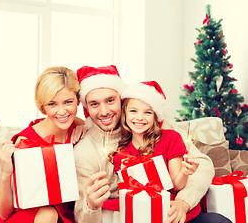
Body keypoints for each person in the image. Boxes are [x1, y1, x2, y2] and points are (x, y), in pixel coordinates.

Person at [73, 64, 232, 223]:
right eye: (94, 104)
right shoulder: (85, 151)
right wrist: (91, 206)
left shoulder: (159, 127)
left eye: (110, 100)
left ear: (122, 101)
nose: (104, 111)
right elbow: (82, 214)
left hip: (174, 212)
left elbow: (203, 166)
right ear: (87, 107)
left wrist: (183, 202)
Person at [0, 66, 86, 223]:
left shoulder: (77, 125)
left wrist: (86, 128)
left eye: (68, 102)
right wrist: (5, 173)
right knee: (48, 213)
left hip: (62, 215)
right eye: (52, 104)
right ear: (43, 107)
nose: (62, 111)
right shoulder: (25, 143)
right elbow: (4, 213)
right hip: (26, 217)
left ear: (78, 101)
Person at [112, 81, 200, 221]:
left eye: (147, 112)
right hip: (145, 214)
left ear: (155, 116)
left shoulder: (171, 138)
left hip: (173, 211)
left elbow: (176, 186)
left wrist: (185, 172)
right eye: (133, 111)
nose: (140, 118)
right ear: (124, 114)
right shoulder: (121, 155)